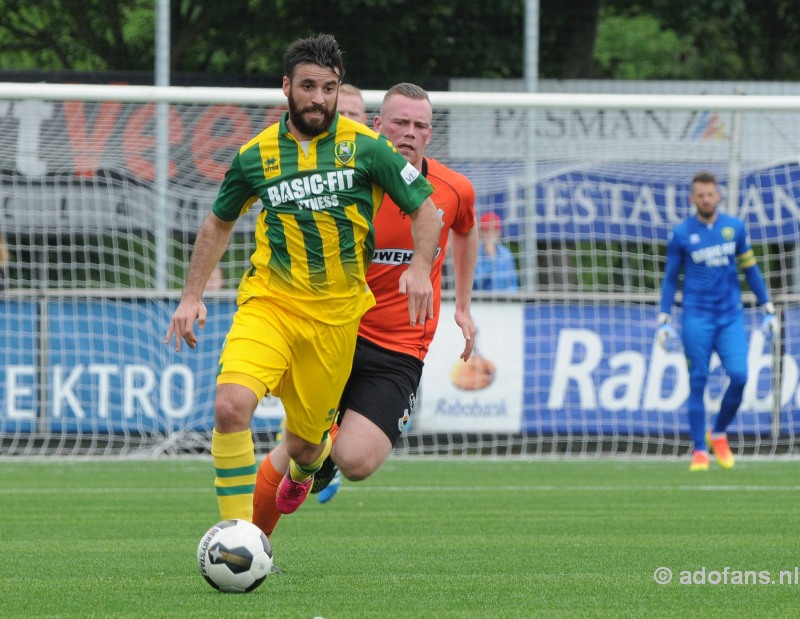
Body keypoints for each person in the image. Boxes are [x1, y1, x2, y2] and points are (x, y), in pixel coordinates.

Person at [165, 34, 441, 524]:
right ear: (287, 87)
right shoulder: (255, 155)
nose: (319, 98)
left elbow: (425, 207)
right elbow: (218, 223)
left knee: (308, 445)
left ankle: (304, 470)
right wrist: (191, 296)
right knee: (230, 406)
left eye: (329, 88)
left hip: (335, 320)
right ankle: (235, 535)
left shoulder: (368, 148)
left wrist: (420, 268)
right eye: (310, 86)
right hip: (269, 303)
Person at [252, 82, 478, 535]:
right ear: (377, 125)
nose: (408, 133)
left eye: (419, 125)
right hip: (335, 333)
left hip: (399, 348)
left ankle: (325, 455)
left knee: (356, 461)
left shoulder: (453, 190)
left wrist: (464, 306)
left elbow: (465, 231)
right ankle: (250, 543)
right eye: (399, 123)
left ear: (430, 134)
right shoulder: (345, 185)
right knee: (295, 447)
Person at [657, 171, 777, 472]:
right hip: (696, 317)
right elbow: (671, 278)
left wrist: (767, 306)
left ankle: (719, 432)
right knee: (697, 381)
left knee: (739, 376)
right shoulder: (682, 233)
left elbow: (750, 268)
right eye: (701, 195)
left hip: (730, 317)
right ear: (692, 199)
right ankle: (699, 450)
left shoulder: (734, 228)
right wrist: (663, 316)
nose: (706, 199)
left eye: (710, 194)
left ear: (718, 196)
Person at [473, 212, 519, 291]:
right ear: (480, 232)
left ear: (499, 232)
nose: (490, 235)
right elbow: (475, 283)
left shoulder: (506, 254)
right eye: (486, 231)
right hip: (481, 301)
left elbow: (513, 283)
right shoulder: (474, 254)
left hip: (505, 300)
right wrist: (490, 259)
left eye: (494, 231)